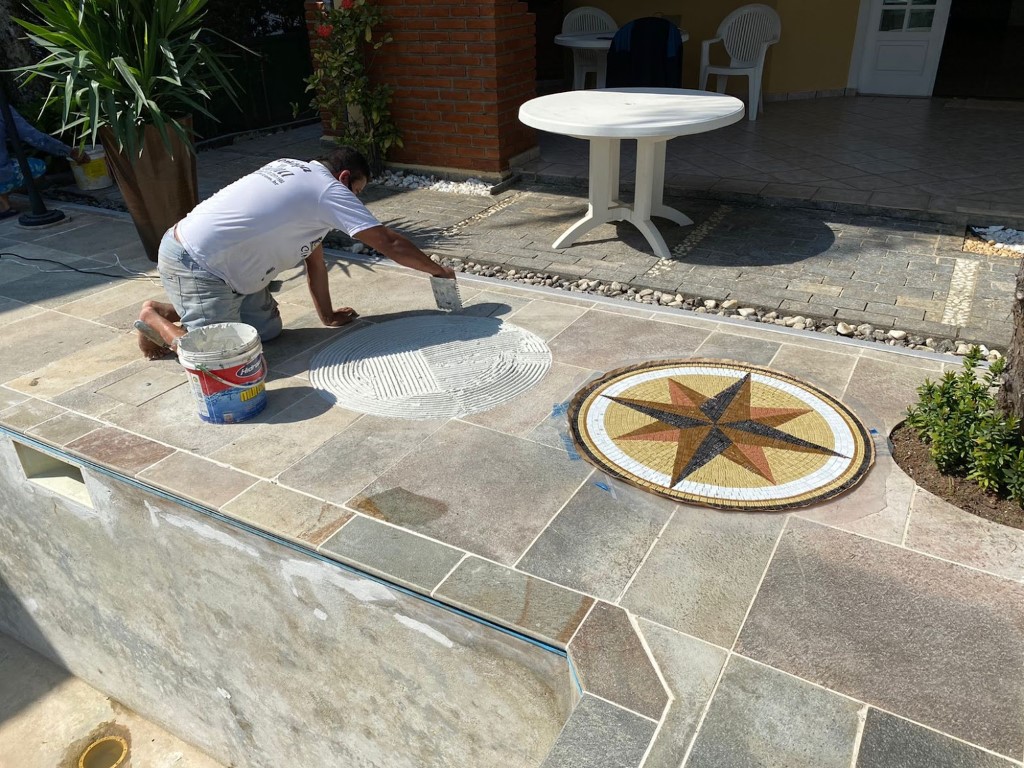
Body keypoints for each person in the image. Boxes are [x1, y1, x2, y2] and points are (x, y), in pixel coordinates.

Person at [135, 146, 456, 359]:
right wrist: (438, 270)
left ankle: (183, 306)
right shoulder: (327, 190)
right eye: (356, 192)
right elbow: (389, 242)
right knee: (221, 357)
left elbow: (315, 262)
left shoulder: (291, 171)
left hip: (230, 270)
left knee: (268, 333)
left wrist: (327, 315)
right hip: (195, 262)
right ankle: (153, 318)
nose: (355, 201)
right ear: (344, 177)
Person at [0, 105, 88, 219]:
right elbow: (33, 137)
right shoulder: (2, 107)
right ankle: (3, 202)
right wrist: (69, 151)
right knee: (38, 167)